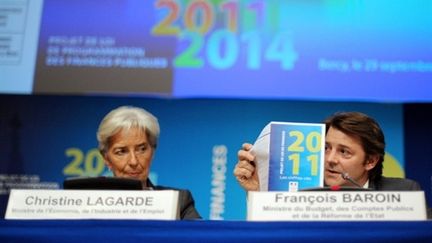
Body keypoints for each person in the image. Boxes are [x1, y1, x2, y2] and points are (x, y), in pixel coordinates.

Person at [234, 111, 423, 191]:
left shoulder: (403, 192)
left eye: (344, 152)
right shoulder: (301, 189)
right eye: (326, 148)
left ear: (370, 161)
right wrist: (255, 194)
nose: (330, 159)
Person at [97, 105, 201, 219]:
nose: (133, 161)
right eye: (121, 151)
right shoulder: (89, 203)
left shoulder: (177, 202)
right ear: (106, 159)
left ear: (153, 151)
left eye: (142, 149)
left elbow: (198, 236)